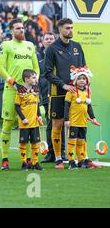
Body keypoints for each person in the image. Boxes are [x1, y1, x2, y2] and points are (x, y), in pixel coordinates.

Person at [44, 18, 96, 169]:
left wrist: (85, 84)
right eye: (67, 28)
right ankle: (59, 159)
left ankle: (83, 158)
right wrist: (64, 85)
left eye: (72, 28)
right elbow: (47, 73)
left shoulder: (77, 46)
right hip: (58, 93)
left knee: (80, 124)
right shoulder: (52, 49)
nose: (70, 30)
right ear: (60, 29)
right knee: (58, 124)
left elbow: (83, 68)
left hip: (77, 94)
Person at [0, 18, 39, 170]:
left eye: (22, 28)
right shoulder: (5, 45)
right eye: (18, 28)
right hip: (11, 90)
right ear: (11, 31)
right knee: (7, 123)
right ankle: (5, 159)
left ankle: (27, 159)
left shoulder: (30, 45)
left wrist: (35, 82)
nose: (21, 30)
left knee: (28, 124)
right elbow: (0, 68)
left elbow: (36, 68)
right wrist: (14, 83)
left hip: (28, 92)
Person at [64, 66, 100, 169]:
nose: (82, 81)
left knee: (81, 142)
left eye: (84, 79)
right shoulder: (71, 92)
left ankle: (80, 161)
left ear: (87, 80)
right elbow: (66, 107)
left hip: (83, 122)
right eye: (79, 79)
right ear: (75, 80)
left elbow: (89, 106)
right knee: (72, 142)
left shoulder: (87, 92)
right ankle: (71, 161)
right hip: (73, 122)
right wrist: (66, 120)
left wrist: (93, 118)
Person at [15, 69, 44, 171]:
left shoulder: (36, 90)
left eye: (36, 77)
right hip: (25, 124)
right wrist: (23, 119)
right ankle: (24, 163)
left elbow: (36, 105)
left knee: (35, 143)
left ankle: (35, 162)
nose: (36, 79)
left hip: (34, 123)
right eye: (33, 77)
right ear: (26, 79)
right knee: (23, 143)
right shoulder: (20, 92)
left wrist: (39, 115)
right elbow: (17, 107)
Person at [36, 32, 59, 163]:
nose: (49, 41)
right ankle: (51, 153)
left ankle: (60, 152)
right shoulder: (38, 56)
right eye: (47, 39)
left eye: (51, 38)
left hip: (59, 93)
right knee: (50, 123)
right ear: (42, 41)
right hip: (46, 95)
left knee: (59, 123)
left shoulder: (58, 54)